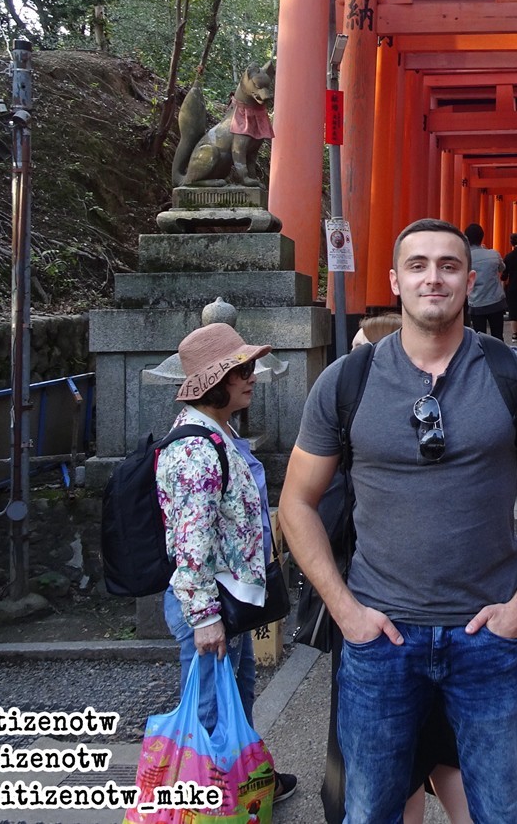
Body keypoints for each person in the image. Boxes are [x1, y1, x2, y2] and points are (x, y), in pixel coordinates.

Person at [280, 218, 517, 823]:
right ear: (394, 280)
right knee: (369, 812)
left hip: (485, 638)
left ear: (472, 281)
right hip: (380, 636)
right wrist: (345, 611)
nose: (433, 278)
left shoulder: (515, 375)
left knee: (501, 811)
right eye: (417, 265)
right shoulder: (348, 381)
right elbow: (295, 502)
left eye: (448, 265)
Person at [157, 322, 297, 805]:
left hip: (227, 597)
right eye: (241, 369)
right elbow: (191, 541)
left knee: (234, 701)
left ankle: (246, 789)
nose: (252, 376)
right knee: (212, 714)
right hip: (211, 603)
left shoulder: (215, 434)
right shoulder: (198, 447)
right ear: (215, 382)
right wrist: (204, 618)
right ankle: (207, 804)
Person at [345, 320, 471, 824]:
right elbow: (302, 504)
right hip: (376, 611)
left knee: (408, 761)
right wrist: (347, 609)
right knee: (427, 757)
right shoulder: (346, 398)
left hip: (417, 617)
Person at [465, 223, 507, 340]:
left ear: (466, 238)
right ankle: (499, 357)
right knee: (498, 336)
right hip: (495, 300)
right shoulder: (493, 254)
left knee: (479, 337)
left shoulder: (465, 258)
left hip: (476, 302)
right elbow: (502, 268)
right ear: (482, 237)